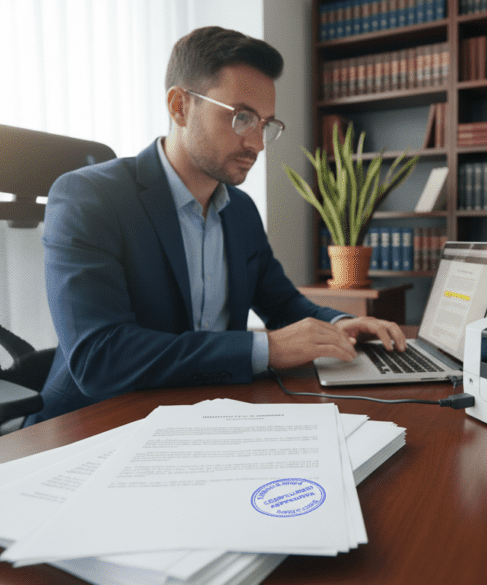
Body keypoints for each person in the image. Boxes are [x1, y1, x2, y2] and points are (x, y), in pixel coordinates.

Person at [25, 26, 405, 425]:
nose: (257, 143)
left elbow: (282, 304)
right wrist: (264, 350)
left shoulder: (239, 210)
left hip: (204, 419)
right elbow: (100, 357)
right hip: (96, 424)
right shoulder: (88, 197)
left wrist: (340, 325)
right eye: (242, 118)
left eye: (265, 124)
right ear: (179, 107)